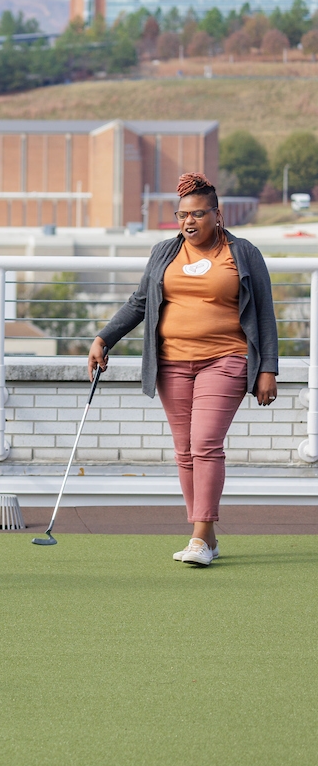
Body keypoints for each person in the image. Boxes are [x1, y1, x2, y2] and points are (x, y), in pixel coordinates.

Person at [90, 172, 277, 567]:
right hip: (171, 363)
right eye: (182, 215)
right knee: (185, 452)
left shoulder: (243, 253)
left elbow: (264, 313)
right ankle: (205, 537)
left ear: (217, 214)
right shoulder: (164, 252)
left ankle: (198, 536)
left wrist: (268, 370)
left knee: (206, 442)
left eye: (198, 214)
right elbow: (139, 303)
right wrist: (104, 338)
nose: (189, 222)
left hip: (226, 358)